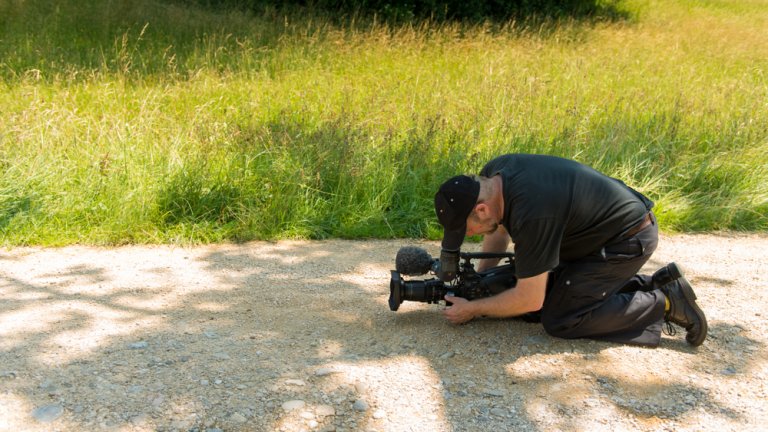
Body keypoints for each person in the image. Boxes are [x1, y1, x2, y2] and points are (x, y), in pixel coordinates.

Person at [433, 153, 707, 347]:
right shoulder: (495, 175)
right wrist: (481, 283)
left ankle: (664, 302)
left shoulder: (533, 214)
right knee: (529, 288)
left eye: (467, 228)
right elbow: (501, 228)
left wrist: (474, 309)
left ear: (481, 209)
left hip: (625, 240)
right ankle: (651, 284)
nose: (469, 234)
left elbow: (529, 299)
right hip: (595, 234)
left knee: (561, 318)